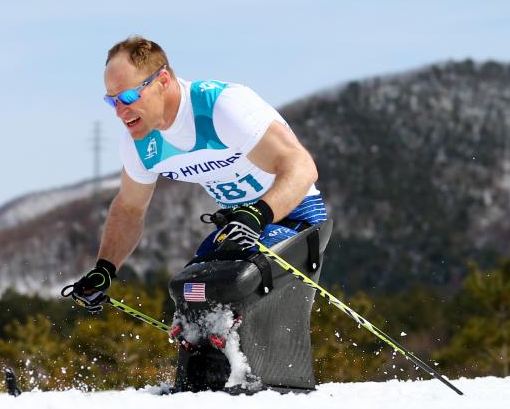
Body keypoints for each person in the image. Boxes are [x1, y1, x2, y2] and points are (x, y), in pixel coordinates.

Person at [69, 36, 326, 312]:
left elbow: (301, 166)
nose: (120, 111)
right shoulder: (139, 143)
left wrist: (258, 213)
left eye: (129, 97)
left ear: (162, 80)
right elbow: (130, 209)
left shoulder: (221, 107)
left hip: (293, 217)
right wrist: (105, 268)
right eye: (112, 101)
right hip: (240, 226)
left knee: (228, 290)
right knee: (190, 293)